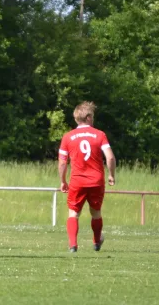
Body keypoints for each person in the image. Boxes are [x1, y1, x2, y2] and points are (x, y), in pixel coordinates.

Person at [58, 101, 116, 253]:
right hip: (96, 180)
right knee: (96, 212)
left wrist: (63, 181)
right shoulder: (100, 134)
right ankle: (96, 242)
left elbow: (62, 163)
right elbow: (110, 158)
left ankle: (73, 245)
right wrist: (111, 175)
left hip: (77, 180)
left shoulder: (68, 137)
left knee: (73, 213)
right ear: (89, 117)